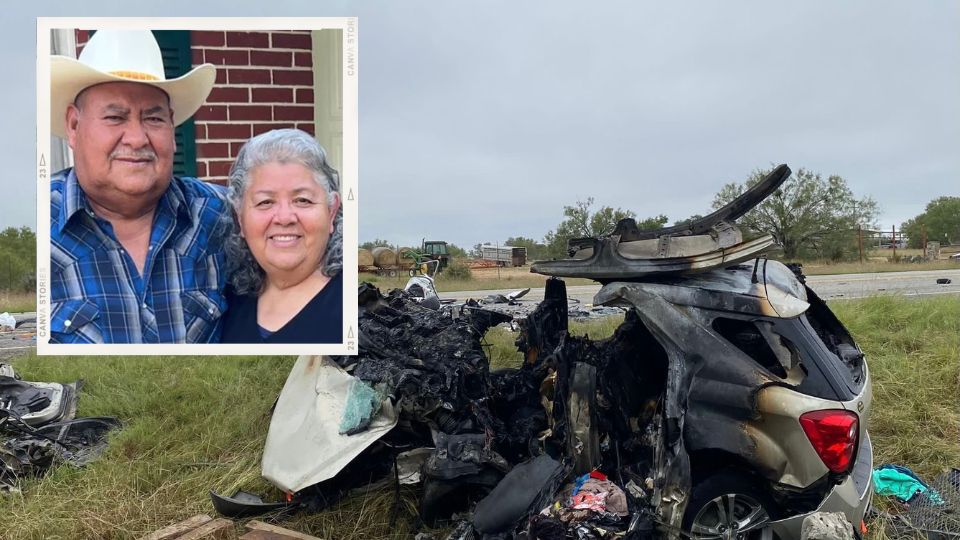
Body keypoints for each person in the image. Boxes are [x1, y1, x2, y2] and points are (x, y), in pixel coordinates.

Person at [49, 29, 231, 344]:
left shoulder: (223, 215)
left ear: (173, 129)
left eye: (153, 119)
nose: (136, 138)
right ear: (74, 126)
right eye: (115, 117)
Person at [220, 129, 343, 344]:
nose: (285, 218)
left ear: (331, 211)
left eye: (303, 200)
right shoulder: (228, 298)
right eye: (265, 202)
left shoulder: (352, 306)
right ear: (240, 218)